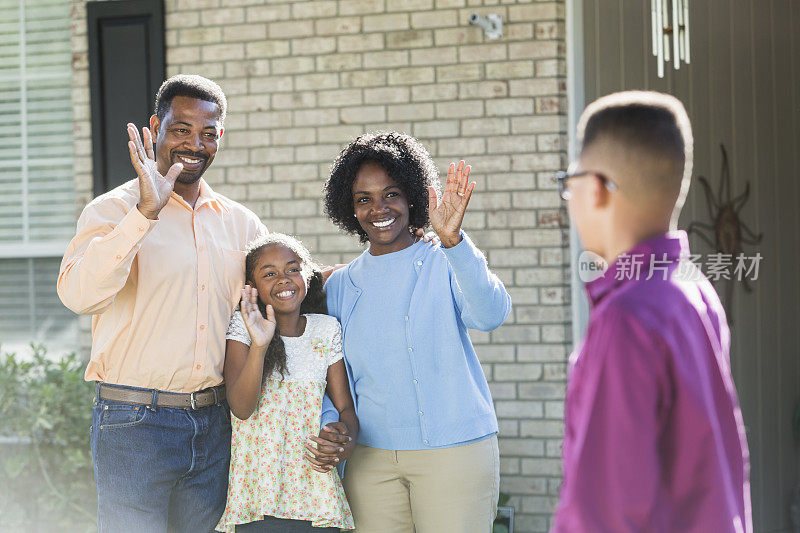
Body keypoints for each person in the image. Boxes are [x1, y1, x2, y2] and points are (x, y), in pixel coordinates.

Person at [57, 75, 267, 532]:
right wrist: (144, 215)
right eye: (181, 129)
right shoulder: (113, 210)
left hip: (213, 425)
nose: (195, 143)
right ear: (156, 126)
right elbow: (77, 295)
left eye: (208, 133)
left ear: (220, 138)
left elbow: (270, 303)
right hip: (133, 425)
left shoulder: (241, 224)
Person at [551, 91, 752, 532]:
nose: (569, 198)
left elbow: (604, 510)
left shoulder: (626, 317)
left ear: (598, 189)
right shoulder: (694, 289)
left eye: (570, 182)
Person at [308, 132, 512, 533]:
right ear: (349, 209)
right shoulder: (338, 286)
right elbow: (331, 378)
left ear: (413, 197)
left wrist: (454, 240)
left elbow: (490, 315)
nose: (378, 208)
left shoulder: (445, 259)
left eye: (391, 194)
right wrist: (331, 426)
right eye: (363, 198)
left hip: (454, 455)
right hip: (370, 462)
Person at [216, 233, 356, 532]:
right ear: (252, 288)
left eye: (292, 269)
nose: (283, 279)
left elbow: (346, 410)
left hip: (315, 494)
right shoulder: (242, 326)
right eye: (270, 274)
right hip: (258, 494)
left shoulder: (325, 328)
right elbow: (241, 407)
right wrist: (260, 343)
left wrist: (342, 442)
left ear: (307, 276)